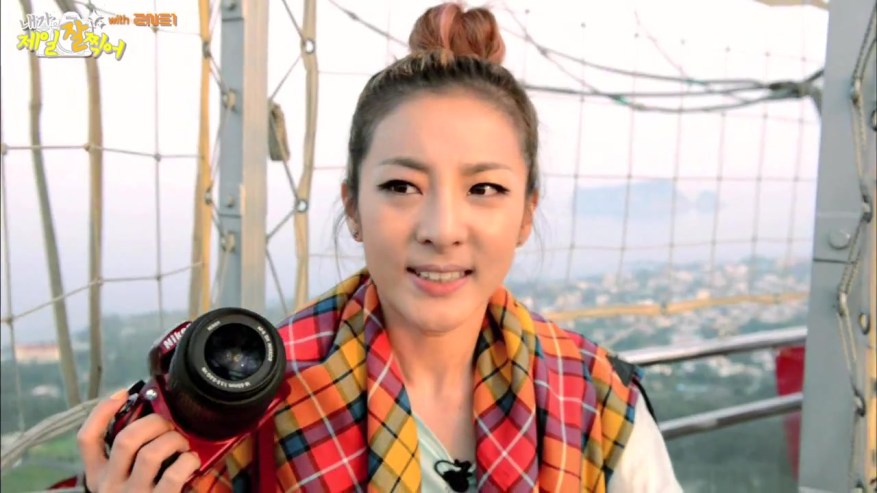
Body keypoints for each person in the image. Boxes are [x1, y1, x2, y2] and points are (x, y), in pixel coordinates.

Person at [74, 2, 683, 492]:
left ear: (526, 213)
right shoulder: (248, 406)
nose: (442, 228)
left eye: (485, 189)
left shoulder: (595, 400)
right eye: (401, 186)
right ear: (352, 207)